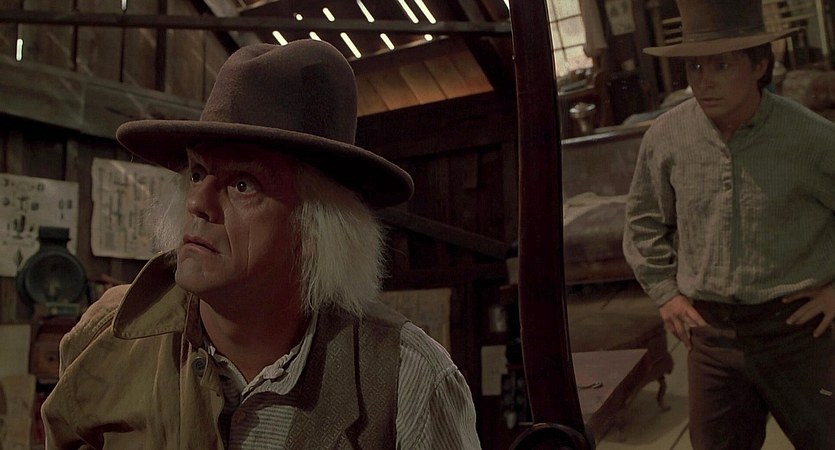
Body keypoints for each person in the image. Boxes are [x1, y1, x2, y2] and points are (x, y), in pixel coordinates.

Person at [41, 39, 481, 449]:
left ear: (316, 229)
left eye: (243, 184)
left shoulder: (408, 379)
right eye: (196, 173)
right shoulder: (106, 337)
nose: (197, 202)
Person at [623, 0, 835, 449]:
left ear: (759, 66)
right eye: (695, 66)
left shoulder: (812, 137)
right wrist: (665, 293)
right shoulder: (666, 137)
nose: (704, 80)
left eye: (721, 65)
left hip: (799, 331)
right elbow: (643, 222)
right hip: (711, 333)